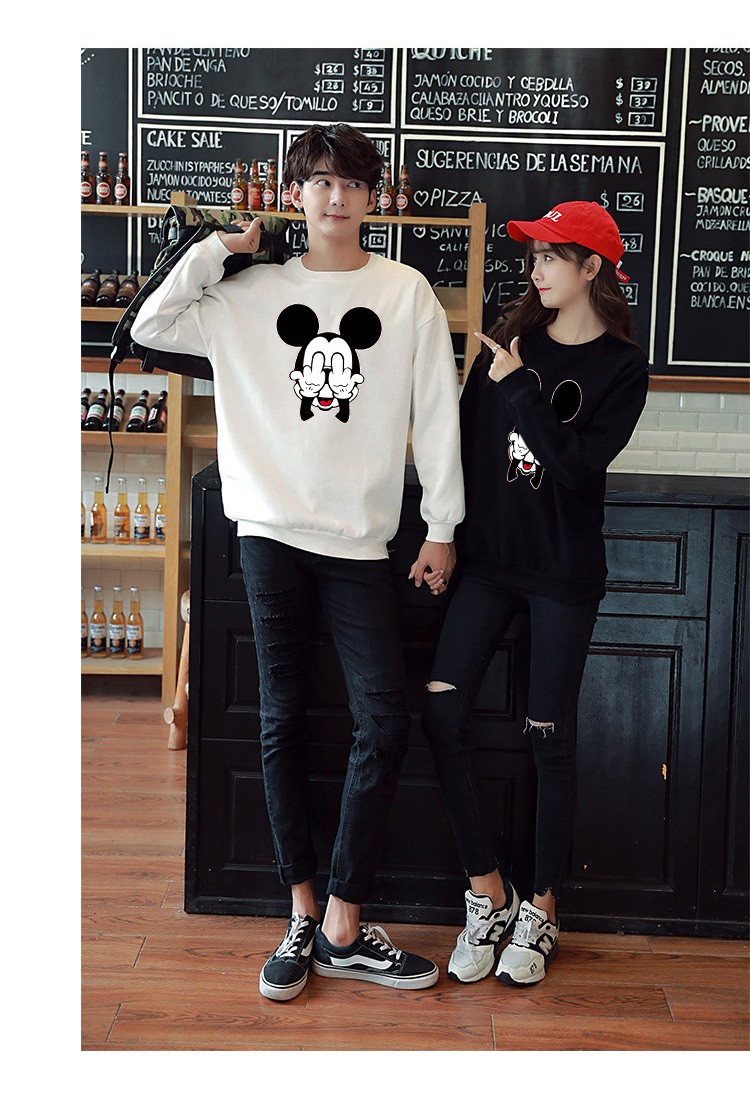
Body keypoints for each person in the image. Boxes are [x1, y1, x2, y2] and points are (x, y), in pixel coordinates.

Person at [130, 124, 464, 1002]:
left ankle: (345, 923)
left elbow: (439, 412)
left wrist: (442, 523)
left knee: (382, 722)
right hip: (268, 533)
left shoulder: (404, 294)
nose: (335, 196)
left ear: (372, 196)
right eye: (319, 180)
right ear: (293, 195)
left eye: (351, 182)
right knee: (280, 722)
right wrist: (223, 247)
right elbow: (150, 323)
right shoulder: (248, 294)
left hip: (359, 540)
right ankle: (301, 913)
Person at [421, 200, 649, 988]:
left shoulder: (622, 367)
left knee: (549, 738)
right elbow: (462, 441)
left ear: (592, 268)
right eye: (534, 256)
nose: (537, 269)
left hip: (562, 574)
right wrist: (443, 533)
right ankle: (488, 891)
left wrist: (520, 387)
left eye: (552, 255)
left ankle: (543, 906)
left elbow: (577, 468)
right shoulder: (509, 337)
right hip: (488, 563)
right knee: (441, 713)